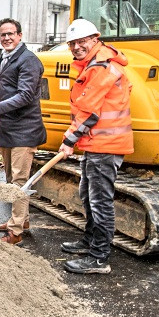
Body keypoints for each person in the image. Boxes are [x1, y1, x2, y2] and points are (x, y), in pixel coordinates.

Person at [58, 18, 133, 275]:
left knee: (100, 202)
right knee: (88, 196)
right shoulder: (93, 63)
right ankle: (89, 241)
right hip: (96, 143)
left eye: (81, 42)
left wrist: (69, 140)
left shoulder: (101, 66)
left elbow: (90, 112)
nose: (76, 47)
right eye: (72, 44)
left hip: (106, 144)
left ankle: (99, 258)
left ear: (94, 39)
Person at [0, 18, 46, 245]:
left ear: (19, 35)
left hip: (25, 129)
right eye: (2, 35)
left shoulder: (28, 60)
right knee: (11, 179)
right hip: (8, 128)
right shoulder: (6, 58)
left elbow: (26, 95)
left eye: (11, 33)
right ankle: (20, 219)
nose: (6, 38)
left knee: (20, 182)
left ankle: (16, 231)